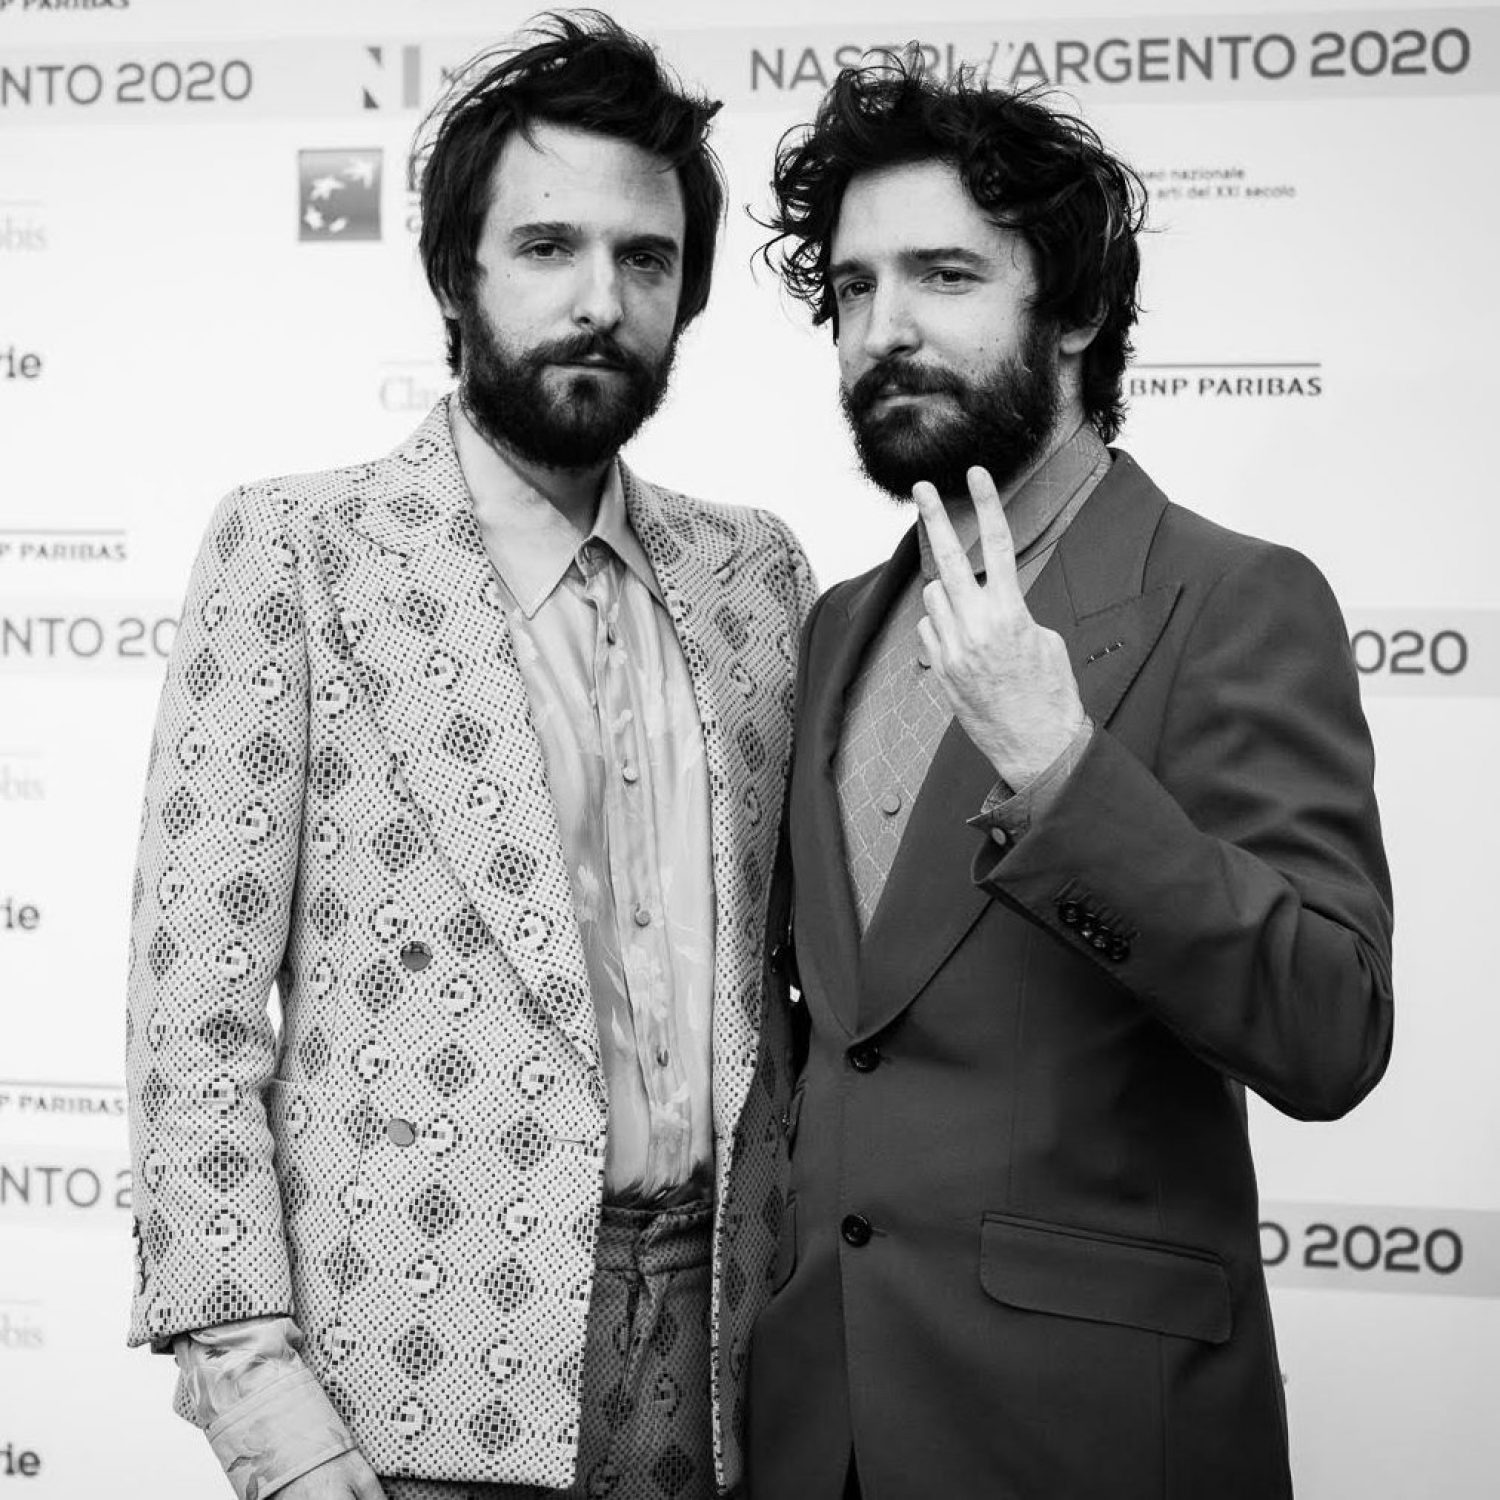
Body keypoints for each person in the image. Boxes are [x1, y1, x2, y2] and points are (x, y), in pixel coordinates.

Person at [125, 15, 813, 1500]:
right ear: (456, 274)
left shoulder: (755, 578)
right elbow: (192, 1029)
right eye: (547, 248)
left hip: (731, 1383)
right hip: (408, 1404)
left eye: (645, 260)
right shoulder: (300, 552)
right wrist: (277, 1436)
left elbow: (799, 995)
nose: (599, 301)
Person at [747, 58, 1392, 1500]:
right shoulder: (839, 622)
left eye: (943, 275)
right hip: (818, 1427)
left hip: (1090, 1435)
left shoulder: (1232, 601)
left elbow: (1331, 1029)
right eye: (852, 290)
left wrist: (1061, 765)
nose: (885, 329)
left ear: (1081, 311)